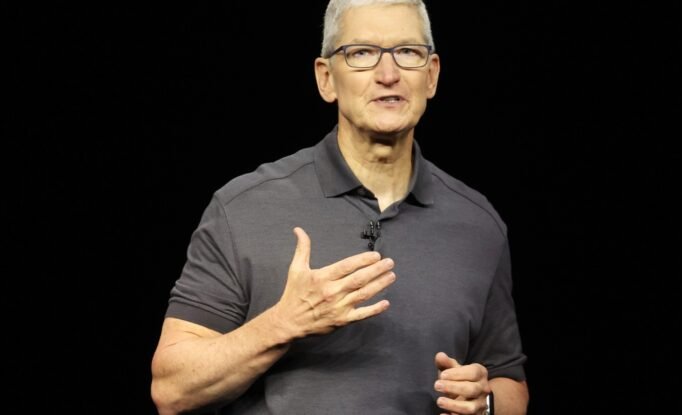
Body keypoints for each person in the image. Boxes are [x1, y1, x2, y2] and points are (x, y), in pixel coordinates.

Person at [151, 1, 528, 414]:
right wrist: (282, 324)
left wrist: (485, 402)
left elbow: (509, 382)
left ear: (432, 75)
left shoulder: (478, 225)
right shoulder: (242, 208)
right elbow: (171, 390)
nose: (388, 74)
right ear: (326, 78)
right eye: (361, 53)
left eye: (408, 52)